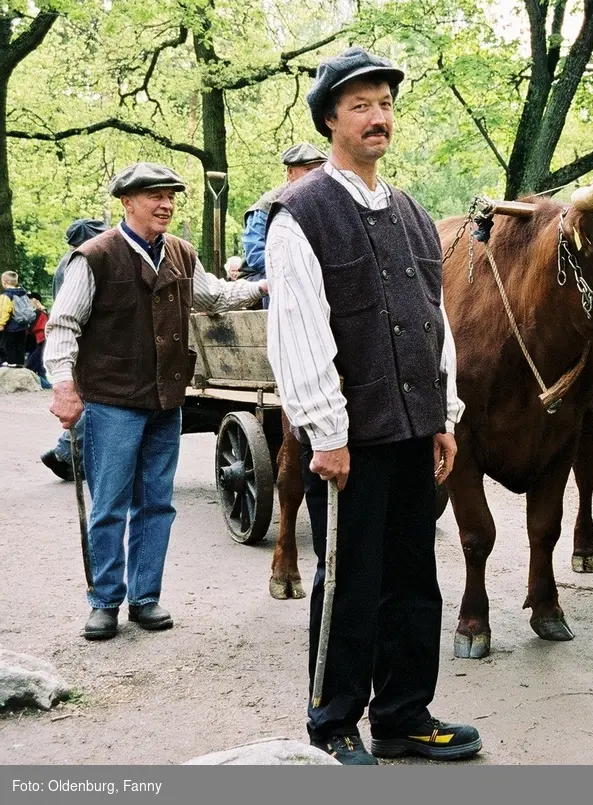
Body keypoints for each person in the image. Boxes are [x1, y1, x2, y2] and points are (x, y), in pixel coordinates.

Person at [265, 47, 479, 766]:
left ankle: (403, 715)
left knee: (415, 578)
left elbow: (434, 320)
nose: (378, 117)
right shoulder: (300, 214)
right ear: (331, 119)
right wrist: (326, 432)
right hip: (347, 439)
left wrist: (444, 416)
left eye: (385, 103)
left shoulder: (415, 215)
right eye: (361, 105)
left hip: (416, 431)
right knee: (351, 581)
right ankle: (332, 722)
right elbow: (298, 330)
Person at [44, 162, 267, 641]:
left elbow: (213, 298)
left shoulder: (182, 254)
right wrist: (64, 385)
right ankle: (104, 601)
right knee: (109, 504)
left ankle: (146, 598)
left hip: (167, 400)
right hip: (112, 401)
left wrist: (264, 287)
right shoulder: (95, 256)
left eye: (170, 196)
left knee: (157, 504)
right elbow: (64, 325)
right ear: (127, 203)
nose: (166, 204)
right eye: (155, 197)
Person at [41, 220, 108, 482]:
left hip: (81, 342)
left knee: (92, 401)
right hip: (83, 343)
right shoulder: (79, 263)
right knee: (94, 401)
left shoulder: (70, 261)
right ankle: (63, 454)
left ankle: (67, 453)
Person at [243, 142, 327, 308]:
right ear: (290, 172)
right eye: (308, 170)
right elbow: (255, 255)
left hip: (315, 276)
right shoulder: (267, 206)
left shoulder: (324, 203)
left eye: (318, 171)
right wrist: (297, 266)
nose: (314, 177)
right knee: (278, 281)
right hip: (268, 279)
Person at [0, 271, 35, 367]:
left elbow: (4, 311)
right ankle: (19, 363)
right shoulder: (23, 294)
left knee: (8, 345)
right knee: (20, 345)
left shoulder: (6, 296)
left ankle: (11, 364)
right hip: (23, 325)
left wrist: (1, 324)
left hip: (11, 326)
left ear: (4, 282)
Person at [24, 292, 50, 388]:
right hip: (35, 341)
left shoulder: (40, 312)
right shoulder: (37, 312)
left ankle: (44, 382)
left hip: (41, 340)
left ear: (36, 300)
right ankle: (44, 382)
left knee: (32, 363)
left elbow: (35, 328)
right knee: (39, 363)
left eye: (30, 299)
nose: (28, 301)